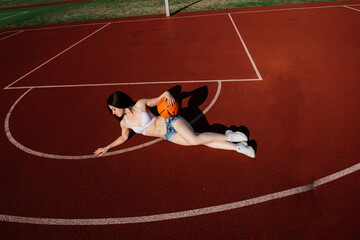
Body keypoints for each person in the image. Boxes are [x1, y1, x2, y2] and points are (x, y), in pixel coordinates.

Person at [94, 90, 255, 158]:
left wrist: (169, 94)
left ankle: (229, 135)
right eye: (112, 111)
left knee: (195, 139)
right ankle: (240, 148)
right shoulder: (125, 124)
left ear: (120, 103)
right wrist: (107, 147)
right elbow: (123, 138)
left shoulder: (141, 104)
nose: (113, 113)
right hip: (168, 135)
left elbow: (162, 96)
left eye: (114, 109)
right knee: (200, 140)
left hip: (170, 120)